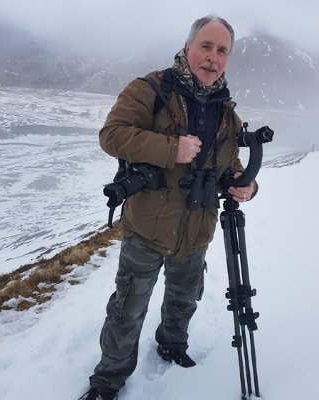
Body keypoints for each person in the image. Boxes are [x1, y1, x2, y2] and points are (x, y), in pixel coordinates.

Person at [81, 14, 258, 400]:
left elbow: (231, 165)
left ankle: (172, 345)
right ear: (188, 47)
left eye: (222, 50)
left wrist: (247, 186)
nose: (213, 57)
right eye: (206, 46)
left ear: (227, 58)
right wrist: (169, 148)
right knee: (127, 308)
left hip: (197, 229)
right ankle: (108, 379)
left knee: (184, 298)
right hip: (148, 226)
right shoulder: (151, 89)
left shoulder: (227, 111)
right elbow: (111, 135)